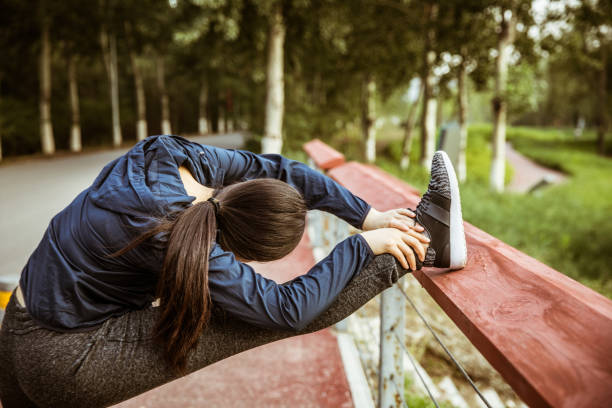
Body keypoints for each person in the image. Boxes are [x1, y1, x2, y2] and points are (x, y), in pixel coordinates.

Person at [0, 135, 467, 408]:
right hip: (67, 360)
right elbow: (288, 310)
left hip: (15, 324)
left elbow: (284, 170)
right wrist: (362, 246)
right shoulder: (177, 233)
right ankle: (428, 242)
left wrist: (366, 216)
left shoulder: (173, 155)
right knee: (267, 318)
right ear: (237, 252)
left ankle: (424, 239)